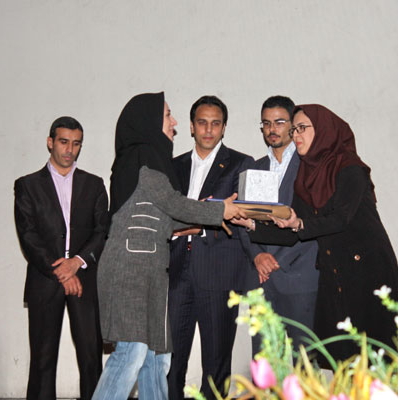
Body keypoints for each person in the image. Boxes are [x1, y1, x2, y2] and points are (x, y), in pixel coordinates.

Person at [93, 92, 246, 400]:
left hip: (151, 273)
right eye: (167, 115)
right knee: (132, 354)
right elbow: (173, 204)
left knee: (157, 358)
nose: (173, 121)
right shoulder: (143, 158)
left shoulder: (149, 159)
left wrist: (203, 216)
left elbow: (164, 217)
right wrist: (219, 211)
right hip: (131, 271)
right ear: (148, 121)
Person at [243, 104, 398, 366]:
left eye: (302, 128)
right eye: (294, 130)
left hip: (366, 271)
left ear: (323, 130)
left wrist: (299, 224)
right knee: (345, 358)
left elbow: (340, 219)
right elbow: (294, 231)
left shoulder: (350, 168)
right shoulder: (308, 176)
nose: (296, 135)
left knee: (373, 355)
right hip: (335, 272)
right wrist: (251, 225)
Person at [14, 116, 108, 400]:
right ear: (50, 142)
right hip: (45, 281)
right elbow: (28, 235)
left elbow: (102, 231)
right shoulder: (28, 185)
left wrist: (77, 262)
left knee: (91, 359)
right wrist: (61, 271)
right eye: (64, 142)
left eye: (76, 143)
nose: (70, 149)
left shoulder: (94, 184)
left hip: (85, 280)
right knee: (42, 361)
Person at [168, 95, 254, 399]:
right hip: (177, 270)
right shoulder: (173, 166)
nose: (208, 129)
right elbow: (166, 214)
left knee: (216, 360)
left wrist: (199, 223)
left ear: (224, 128)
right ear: (191, 127)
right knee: (170, 357)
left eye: (215, 123)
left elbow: (243, 218)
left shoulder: (241, 164)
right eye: (202, 123)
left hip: (219, 273)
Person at [242, 95, 319, 356]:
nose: (272, 129)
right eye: (266, 123)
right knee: (264, 363)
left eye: (279, 122)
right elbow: (242, 221)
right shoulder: (254, 168)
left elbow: (314, 221)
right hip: (261, 278)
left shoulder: (310, 166)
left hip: (300, 276)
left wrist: (277, 260)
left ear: (293, 125)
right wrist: (257, 256)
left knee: (304, 362)